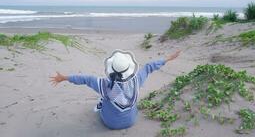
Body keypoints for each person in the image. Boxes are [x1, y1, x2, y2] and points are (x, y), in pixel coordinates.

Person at [49, 49, 181, 129]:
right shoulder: (136, 80)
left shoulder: (104, 84)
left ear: (111, 69)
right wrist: (168, 58)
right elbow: (149, 67)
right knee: (115, 99)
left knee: (103, 98)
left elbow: (86, 79)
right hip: (131, 121)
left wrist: (64, 78)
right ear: (129, 69)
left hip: (110, 123)